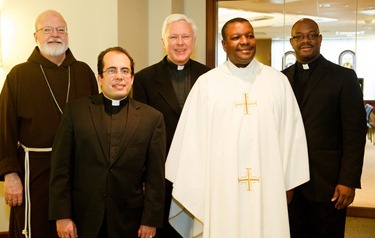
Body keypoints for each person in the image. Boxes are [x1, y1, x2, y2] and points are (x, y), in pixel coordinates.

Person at [165, 17, 310, 237]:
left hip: (268, 185)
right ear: (224, 44)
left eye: (249, 36)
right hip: (222, 188)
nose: (244, 41)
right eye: (236, 37)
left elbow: (292, 135)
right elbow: (192, 142)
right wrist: (197, 185)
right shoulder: (207, 84)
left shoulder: (277, 82)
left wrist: (288, 181)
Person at [49, 46, 166, 238]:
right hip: (83, 220)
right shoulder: (75, 112)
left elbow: (155, 177)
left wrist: (150, 220)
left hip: (131, 221)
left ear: (132, 78)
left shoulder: (152, 118)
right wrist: (62, 215)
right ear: (100, 78)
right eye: (112, 70)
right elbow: (61, 169)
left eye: (125, 71)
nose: (119, 76)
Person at [0, 9, 98, 238]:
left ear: (67, 35)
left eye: (61, 30)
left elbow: (98, 124)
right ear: (36, 36)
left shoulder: (83, 72)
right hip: (35, 172)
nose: (55, 34)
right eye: (47, 30)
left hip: (78, 171)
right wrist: (10, 174)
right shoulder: (18, 75)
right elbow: (4, 127)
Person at [282, 18, 367, 238]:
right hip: (290, 185)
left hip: (328, 184)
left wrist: (348, 181)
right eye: (299, 36)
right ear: (292, 42)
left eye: (311, 35)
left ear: (320, 39)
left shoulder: (343, 77)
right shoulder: (280, 80)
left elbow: (354, 134)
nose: (305, 40)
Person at [133, 13, 210, 238]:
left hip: (200, 172)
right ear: (163, 41)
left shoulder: (209, 77)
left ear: (194, 41)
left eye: (186, 36)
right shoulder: (144, 80)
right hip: (161, 175)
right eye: (173, 37)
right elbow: (139, 134)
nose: (180, 43)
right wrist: (144, 176)